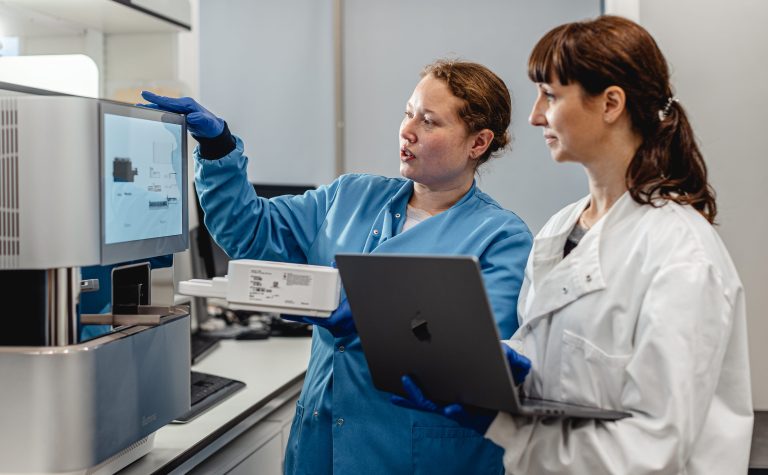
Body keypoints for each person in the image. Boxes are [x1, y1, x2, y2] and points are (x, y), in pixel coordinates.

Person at [393, 16, 753, 474]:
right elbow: (554, 366)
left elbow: (654, 451)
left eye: (551, 95)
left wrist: (509, 429)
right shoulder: (561, 229)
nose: (535, 115)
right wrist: (487, 370)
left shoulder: (680, 256)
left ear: (610, 104)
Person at [141, 59, 533, 474]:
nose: (408, 130)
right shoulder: (349, 198)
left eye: (430, 121)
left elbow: (478, 365)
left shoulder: (501, 239)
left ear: (478, 143)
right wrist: (218, 147)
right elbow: (249, 231)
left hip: (418, 455)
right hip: (319, 446)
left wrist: (374, 324)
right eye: (408, 112)